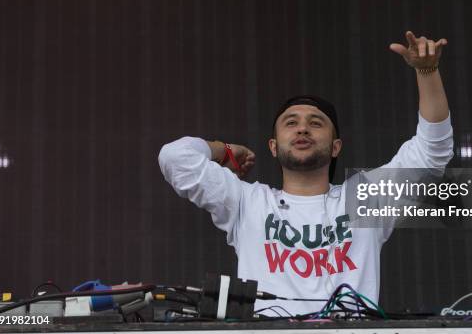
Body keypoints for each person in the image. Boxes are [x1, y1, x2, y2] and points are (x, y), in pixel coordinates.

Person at [158, 31, 453, 316]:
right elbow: (175, 158)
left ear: (336, 146)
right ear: (273, 146)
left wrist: (427, 73)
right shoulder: (248, 202)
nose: (302, 128)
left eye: (316, 123)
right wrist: (221, 149)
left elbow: (431, 154)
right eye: (290, 123)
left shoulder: (363, 199)